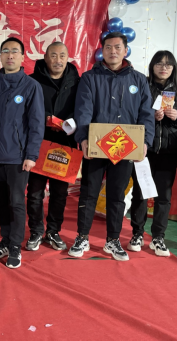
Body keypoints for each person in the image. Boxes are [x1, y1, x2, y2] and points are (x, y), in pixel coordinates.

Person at [69, 32, 154, 261]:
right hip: (96, 145)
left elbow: (146, 114)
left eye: (117, 47)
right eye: (108, 47)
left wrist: (145, 142)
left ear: (125, 50)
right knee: (89, 193)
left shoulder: (139, 80)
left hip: (125, 146)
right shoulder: (90, 78)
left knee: (117, 195)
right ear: (102, 50)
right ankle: (82, 237)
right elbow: (83, 110)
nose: (113, 51)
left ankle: (113, 240)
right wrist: (83, 138)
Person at [0, 37, 45, 269]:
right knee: (0, 202)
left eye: (14, 51)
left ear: (22, 57)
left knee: (16, 202)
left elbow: (37, 124)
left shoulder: (31, 86)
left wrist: (31, 155)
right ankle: (6, 240)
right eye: (5, 51)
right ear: (0, 56)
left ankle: (16, 245)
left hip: (18, 158)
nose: (10, 55)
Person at [127, 51, 177, 257]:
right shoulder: (142, 86)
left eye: (168, 65)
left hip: (169, 151)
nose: (164, 68)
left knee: (164, 196)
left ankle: (158, 238)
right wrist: (149, 116)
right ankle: (137, 233)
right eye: (159, 64)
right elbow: (132, 112)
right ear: (152, 66)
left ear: (174, 68)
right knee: (140, 192)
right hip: (145, 148)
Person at [26, 42, 80, 252]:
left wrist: (71, 124)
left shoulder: (77, 82)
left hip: (66, 144)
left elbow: (84, 108)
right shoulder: (32, 81)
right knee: (35, 192)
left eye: (62, 55)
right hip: (38, 143)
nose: (58, 60)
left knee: (60, 193)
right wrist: (45, 119)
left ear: (68, 57)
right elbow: (26, 110)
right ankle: (36, 231)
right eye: (54, 55)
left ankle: (53, 231)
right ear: (46, 58)